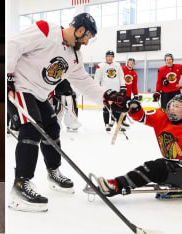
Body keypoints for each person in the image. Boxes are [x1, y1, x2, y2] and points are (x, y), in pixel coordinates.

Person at [7, 13, 126, 212]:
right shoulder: (46, 30)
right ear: (80, 30)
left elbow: (84, 82)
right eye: (88, 37)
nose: (87, 42)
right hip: (19, 87)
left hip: (40, 94)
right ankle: (21, 184)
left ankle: (53, 171)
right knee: (32, 129)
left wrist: (107, 97)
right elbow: (12, 44)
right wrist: (8, 75)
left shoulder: (75, 56)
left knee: (53, 129)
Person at [96, 94, 182, 197]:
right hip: (172, 166)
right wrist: (134, 107)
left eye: (177, 106)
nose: (172, 108)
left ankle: (116, 185)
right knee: (157, 166)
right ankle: (120, 183)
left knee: (154, 167)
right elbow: (143, 116)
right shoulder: (164, 117)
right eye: (172, 104)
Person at [94, 50, 126, 132]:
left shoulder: (117, 65)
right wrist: (97, 88)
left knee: (117, 108)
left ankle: (119, 124)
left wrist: (123, 87)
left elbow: (121, 77)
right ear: (106, 57)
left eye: (112, 56)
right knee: (106, 108)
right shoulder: (100, 66)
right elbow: (97, 79)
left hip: (116, 90)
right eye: (109, 56)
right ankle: (106, 124)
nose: (110, 58)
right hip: (105, 90)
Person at [121, 57, 139, 127]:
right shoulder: (122, 69)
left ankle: (123, 120)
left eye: (132, 63)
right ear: (127, 63)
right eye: (129, 62)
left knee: (126, 108)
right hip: (120, 92)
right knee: (117, 107)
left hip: (128, 94)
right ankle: (114, 120)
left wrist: (136, 94)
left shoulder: (134, 73)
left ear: (134, 64)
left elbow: (134, 85)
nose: (131, 64)